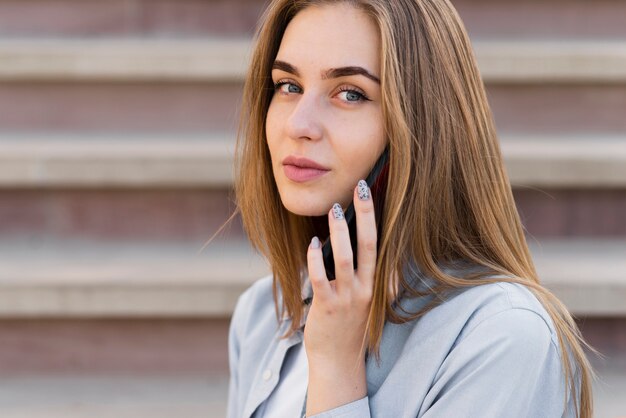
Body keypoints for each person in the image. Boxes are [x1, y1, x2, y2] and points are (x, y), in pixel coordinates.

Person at [227, 0, 596, 417]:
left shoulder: (503, 337)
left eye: (351, 93)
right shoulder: (264, 315)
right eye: (288, 86)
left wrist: (335, 368)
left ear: (421, 129)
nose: (298, 125)